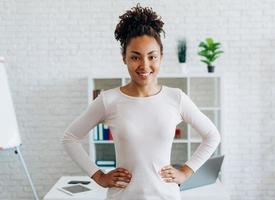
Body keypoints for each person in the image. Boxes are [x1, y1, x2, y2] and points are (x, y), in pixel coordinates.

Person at [61, 3, 221, 200]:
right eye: (135, 57)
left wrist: (186, 172)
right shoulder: (109, 100)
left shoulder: (176, 97)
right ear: (124, 58)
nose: (144, 65)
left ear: (161, 57)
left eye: (152, 56)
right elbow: (70, 138)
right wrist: (99, 176)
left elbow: (212, 136)